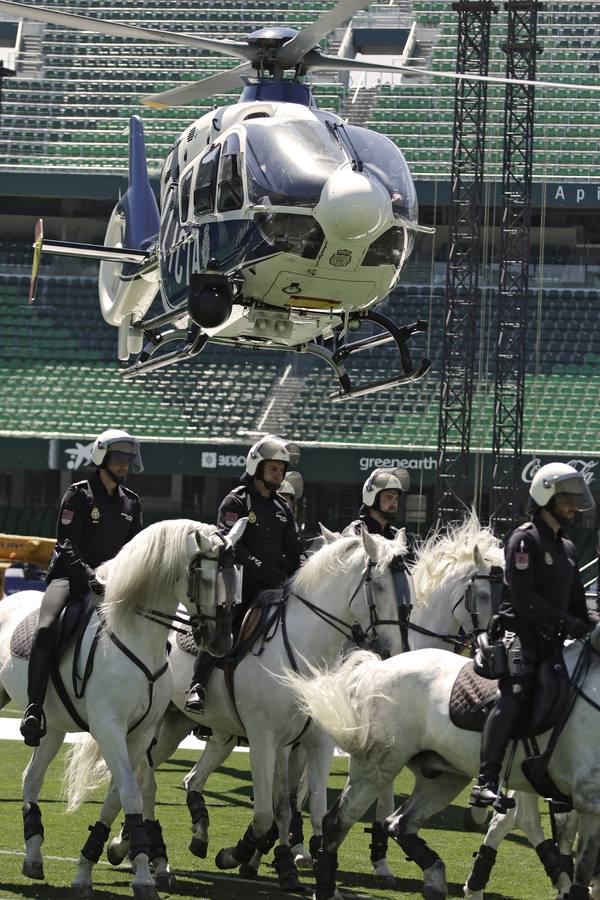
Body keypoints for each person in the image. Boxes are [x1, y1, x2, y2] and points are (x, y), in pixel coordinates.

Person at [469, 462, 599, 808]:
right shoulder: (524, 539)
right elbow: (524, 599)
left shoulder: (567, 548)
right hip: (518, 637)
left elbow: (576, 605)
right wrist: (566, 623)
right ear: (546, 497)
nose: (573, 507)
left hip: (552, 641)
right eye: (567, 499)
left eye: (575, 500)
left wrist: (590, 623)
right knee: (515, 692)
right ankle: (485, 780)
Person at [19, 428, 144, 747]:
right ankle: (34, 707)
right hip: (70, 580)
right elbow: (65, 544)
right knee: (47, 627)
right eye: (118, 458)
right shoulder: (78, 494)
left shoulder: (132, 501)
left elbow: (134, 550)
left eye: (128, 459)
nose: (124, 465)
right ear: (101, 457)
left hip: (112, 587)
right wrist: (90, 576)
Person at [185, 434, 303, 712]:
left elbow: (294, 551)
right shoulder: (236, 501)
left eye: (281, 469)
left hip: (278, 583)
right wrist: (261, 568)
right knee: (226, 622)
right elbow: (228, 543)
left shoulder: (282, 509)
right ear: (256, 467)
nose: (279, 473)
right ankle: (197, 685)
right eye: (273, 467)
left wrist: (304, 569)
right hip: (240, 581)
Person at [343, 467, 411, 540]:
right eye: (389, 498)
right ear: (372, 498)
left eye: (396, 498)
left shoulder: (396, 536)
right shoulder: (355, 531)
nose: (394, 503)